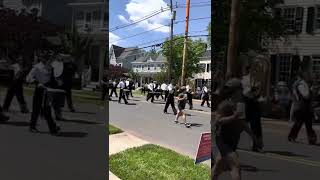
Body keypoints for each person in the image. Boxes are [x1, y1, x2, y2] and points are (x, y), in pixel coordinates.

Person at [212, 78, 257, 180]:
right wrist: (233, 117)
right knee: (235, 166)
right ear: (235, 90)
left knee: (219, 167)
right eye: (240, 89)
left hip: (234, 139)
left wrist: (253, 136)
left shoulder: (240, 105)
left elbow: (242, 122)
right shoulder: (224, 105)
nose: (242, 91)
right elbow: (218, 121)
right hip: (223, 139)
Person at [26, 50, 61, 135]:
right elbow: (28, 78)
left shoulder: (50, 67)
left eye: (47, 57)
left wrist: (57, 82)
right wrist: (36, 83)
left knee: (47, 110)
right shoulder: (36, 67)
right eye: (44, 57)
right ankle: (33, 126)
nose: (46, 58)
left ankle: (52, 128)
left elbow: (51, 78)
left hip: (48, 90)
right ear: (40, 58)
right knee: (37, 110)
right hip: (40, 90)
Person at [288, 72, 317, 145]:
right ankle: (292, 136)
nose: (310, 77)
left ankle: (311, 139)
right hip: (302, 107)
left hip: (306, 107)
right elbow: (306, 95)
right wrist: (310, 89)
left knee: (308, 124)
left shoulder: (305, 84)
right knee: (298, 123)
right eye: (308, 75)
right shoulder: (301, 84)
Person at [241, 66, 264, 152]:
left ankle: (256, 145)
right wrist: (250, 91)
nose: (254, 72)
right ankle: (231, 140)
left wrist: (256, 93)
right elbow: (243, 92)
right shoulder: (244, 79)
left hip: (254, 103)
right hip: (245, 103)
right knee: (241, 124)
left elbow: (259, 91)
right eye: (253, 70)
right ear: (249, 70)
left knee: (256, 125)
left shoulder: (257, 81)